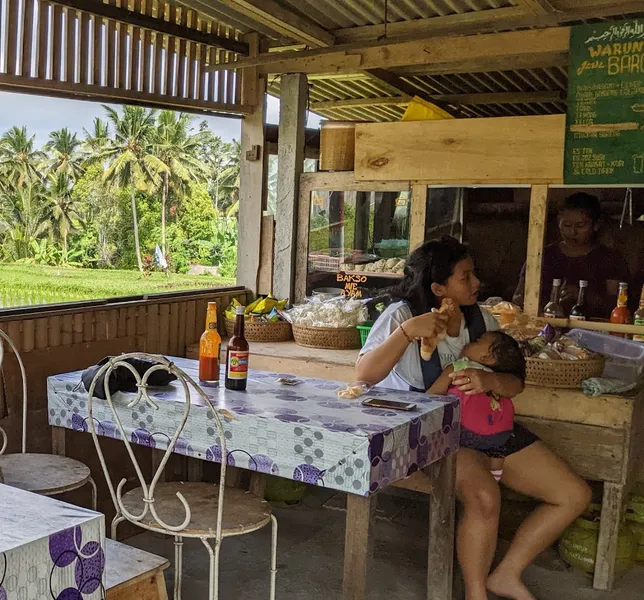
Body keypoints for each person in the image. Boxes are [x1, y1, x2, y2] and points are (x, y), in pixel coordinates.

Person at [357, 237, 591, 600]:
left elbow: (515, 382)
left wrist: (490, 380)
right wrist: (406, 334)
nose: (476, 283)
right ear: (438, 288)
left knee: (573, 494)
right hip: (433, 430)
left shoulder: (479, 319)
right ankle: (476, 592)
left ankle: (507, 574)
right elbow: (364, 376)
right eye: (465, 277)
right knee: (484, 498)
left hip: (490, 427)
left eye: (473, 274)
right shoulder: (401, 316)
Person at [428, 331, 526, 485]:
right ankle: (496, 474)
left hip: (463, 432)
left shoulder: (460, 366)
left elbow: (432, 395)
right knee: (498, 446)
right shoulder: (497, 377)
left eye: (477, 340)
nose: (469, 342)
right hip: (500, 436)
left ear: (487, 357)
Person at [513, 192, 629, 318]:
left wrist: (582, 295)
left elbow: (617, 304)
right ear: (558, 222)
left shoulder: (610, 259)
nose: (572, 232)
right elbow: (519, 295)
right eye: (567, 225)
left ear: (596, 225)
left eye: (580, 226)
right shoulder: (542, 256)